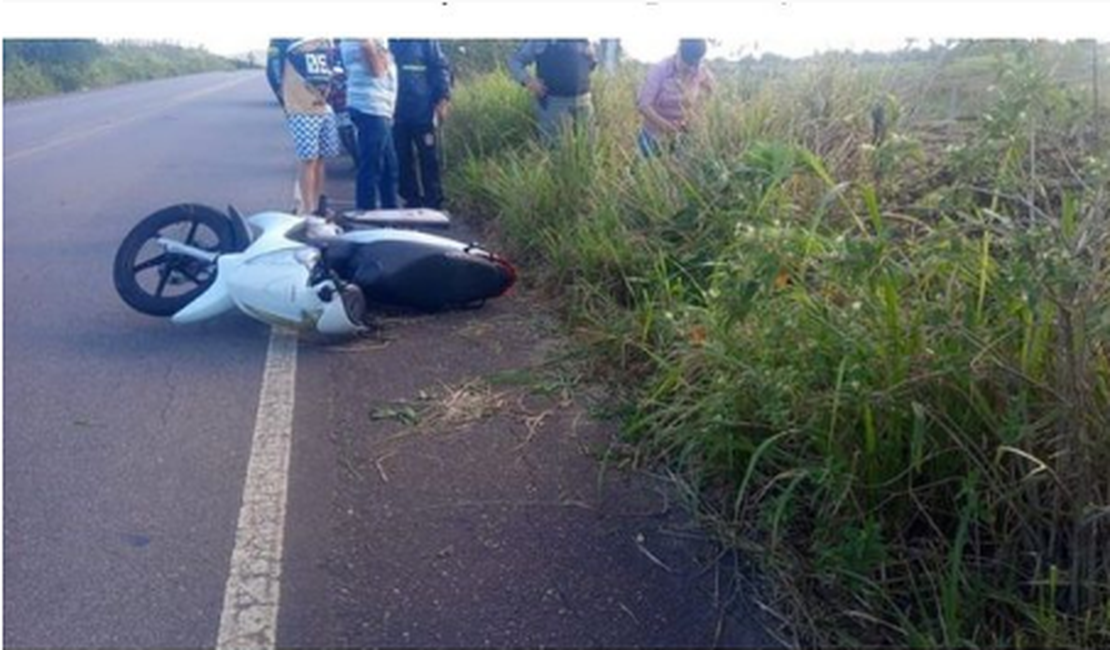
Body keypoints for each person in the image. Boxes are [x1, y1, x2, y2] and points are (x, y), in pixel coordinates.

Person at [281, 38, 343, 216]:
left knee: (321, 158)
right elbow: (278, 72)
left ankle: (317, 205)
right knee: (309, 159)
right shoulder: (293, 44)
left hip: (324, 107)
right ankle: (308, 210)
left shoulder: (327, 42)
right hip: (301, 108)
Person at [389, 39, 452, 210]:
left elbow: (440, 67)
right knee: (402, 156)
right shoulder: (388, 40)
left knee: (429, 157)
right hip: (395, 109)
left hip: (423, 109)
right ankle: (411, 199)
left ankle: (434, 200)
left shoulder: (426, 40)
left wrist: (443, 98)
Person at [340, 38, 399, 210]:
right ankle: (366, 216)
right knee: (372, 166)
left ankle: (390, 213)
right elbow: (376, 66)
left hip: (377, 105)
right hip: (371, 105)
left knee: (388, 166)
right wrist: (384, 60)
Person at [636, 39, 716, 157]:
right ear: (678, 52)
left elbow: (711, 93)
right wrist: (667, 127)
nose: (691, 69)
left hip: (683, 138)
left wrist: (697, 116)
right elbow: (643, 105)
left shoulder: (700, 71)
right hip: (653, 138)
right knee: (646, 172)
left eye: (695, 64)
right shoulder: (660, 70)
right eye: (687, 64)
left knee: (678, 172)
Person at [508, 39, 598, 144]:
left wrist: (591, 58)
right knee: (555, 150)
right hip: (554, 104)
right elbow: (515, 61)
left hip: (585, 102)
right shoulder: (539, 40)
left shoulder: (584, 39)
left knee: (590, 147)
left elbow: (592, 64)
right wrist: (528, 81)